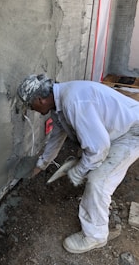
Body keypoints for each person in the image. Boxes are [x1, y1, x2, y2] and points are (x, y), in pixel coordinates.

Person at [17, 74, 139, 254]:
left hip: (131, 132)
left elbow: (99, 147)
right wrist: (40, 165)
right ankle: (97, 208)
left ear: (40, 99)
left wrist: (79, 170)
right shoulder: (59, 104)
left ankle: (95, 236)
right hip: (116, 130)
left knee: (98, 181)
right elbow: (56, 138)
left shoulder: (72, 102)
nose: (31, 109)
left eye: (30, 105)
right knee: (91, 159)